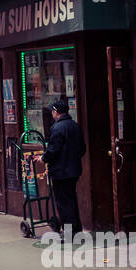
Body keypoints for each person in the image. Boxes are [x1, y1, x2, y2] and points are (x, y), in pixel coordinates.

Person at [44, 98, 86, 237]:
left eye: (52, 111)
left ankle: (70, 233)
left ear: (56, 112)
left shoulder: (57, 128)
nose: (52, 114)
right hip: (73, 171)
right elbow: (82, 148)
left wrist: (44, 158)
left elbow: (53, 150)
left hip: (61, 172)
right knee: (71, 200)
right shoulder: (75, 125)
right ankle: (76, 230)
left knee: (63, 204)